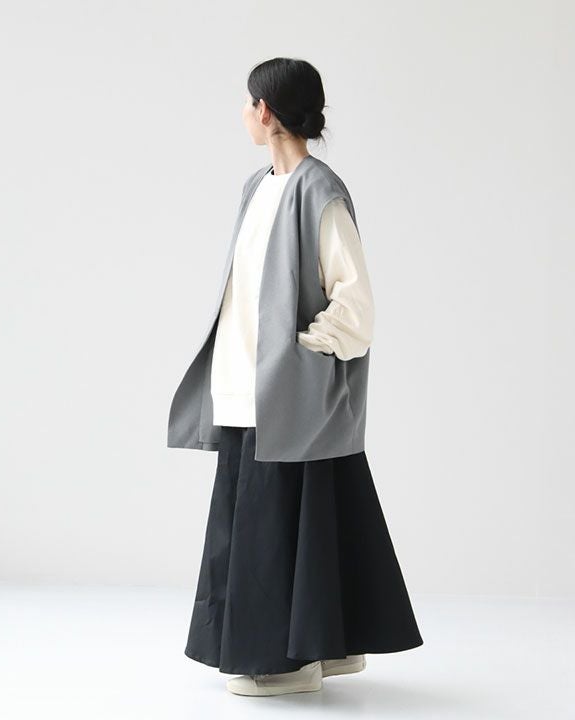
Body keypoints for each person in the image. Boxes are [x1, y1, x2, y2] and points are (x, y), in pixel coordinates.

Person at [167, 57, 423, 697]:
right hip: (243, 391)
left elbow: (355, 306)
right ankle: (313, 653)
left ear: (266, 110)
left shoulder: (319, 191)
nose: (244, 114)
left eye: (248, 102)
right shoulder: (257, 187)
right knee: (258, 529)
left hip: (285, 397)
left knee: (278, 532)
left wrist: (300, 354)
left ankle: (283, 664)